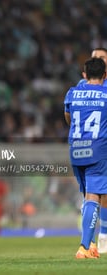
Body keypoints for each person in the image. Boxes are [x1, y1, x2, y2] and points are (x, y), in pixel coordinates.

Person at [64, 57, 107, 259]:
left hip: (76, 149)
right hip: (98, 150)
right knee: (94, 197)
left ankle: (90, 244)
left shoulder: (72, 93)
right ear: (105, 75)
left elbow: (68, 118)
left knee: (87, 198)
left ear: (84, 75)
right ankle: (84, 247)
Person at [77, 47, 107, 254]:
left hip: (82, 147)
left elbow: (68, 113)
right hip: (98, 146)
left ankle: (100, 237)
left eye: (102, 57)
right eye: (95, 57)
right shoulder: (83, 85)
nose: (97, 59)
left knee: (95, 194)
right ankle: (94, 240)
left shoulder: (77, 89)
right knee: (94, 194)